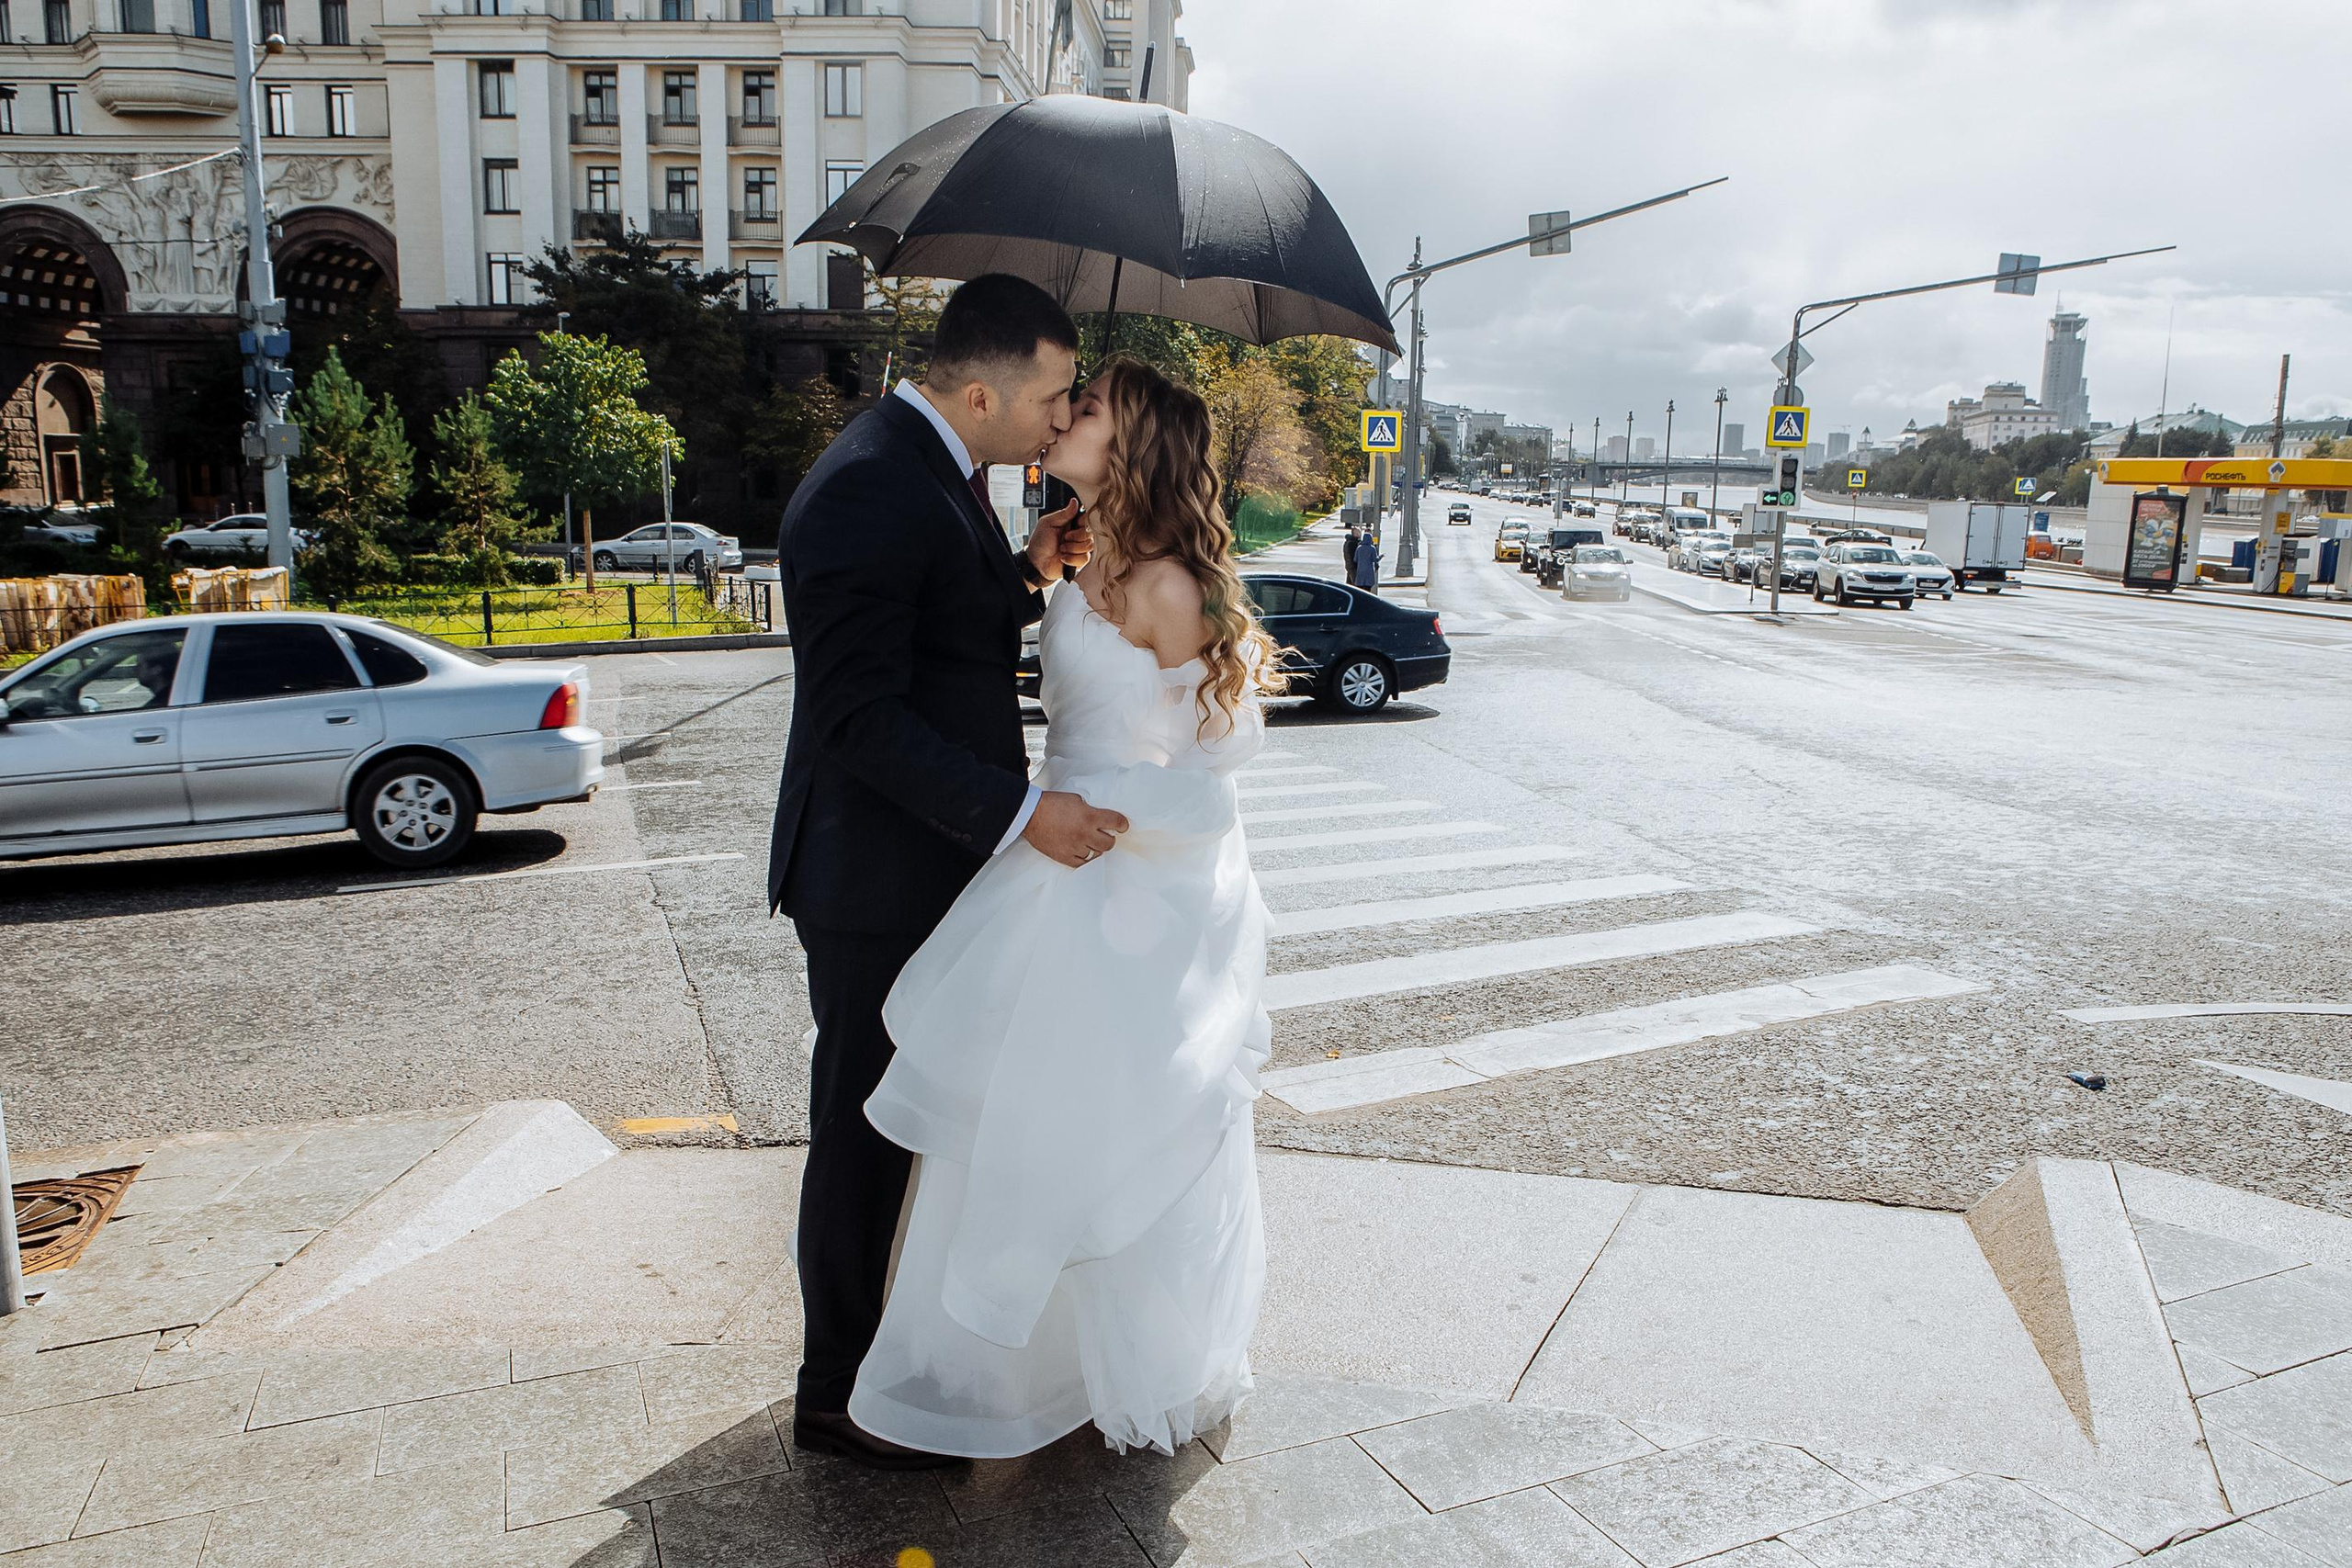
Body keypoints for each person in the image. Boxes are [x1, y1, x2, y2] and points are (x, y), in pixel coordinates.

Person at [848, 356, 1280, 1460]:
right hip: (1050, 858)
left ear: (1132, 444)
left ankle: (1123, 1365)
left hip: (1124, 881)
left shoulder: (1171, 586)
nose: (1064, 418)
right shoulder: (1080, 561)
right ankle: (999, 1376)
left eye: (1086, 410)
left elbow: (1215, 765)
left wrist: (1108, 805)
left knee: (1095, 1125)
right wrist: (1037, 569)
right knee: (1015, 1123)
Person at [766, 273, 1125, 1472]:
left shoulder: (926, 465)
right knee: (864, 1132)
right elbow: (858, 717)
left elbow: (929, 630)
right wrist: (1023, 814)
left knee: (906, 1125)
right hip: (873, 880)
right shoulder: (871, 483)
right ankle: (834, 1396)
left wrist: (1023, 572)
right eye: (1054, 395)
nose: (1061, 415)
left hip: (919, 868)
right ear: (982, 393)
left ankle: (889, 1368)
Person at [1351, 527, 1382, 592]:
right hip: (1369, 571)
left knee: (1360, 589)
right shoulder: (1372, 548)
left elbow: (1355, 559)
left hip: (1360, 570)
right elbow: (1375, 559)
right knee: (1368, 589)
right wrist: (1381, 557)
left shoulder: (1359, 548)